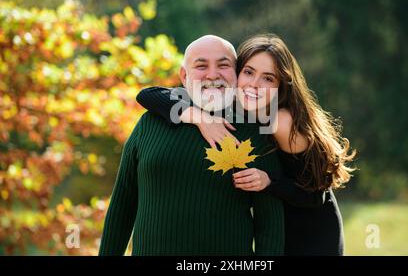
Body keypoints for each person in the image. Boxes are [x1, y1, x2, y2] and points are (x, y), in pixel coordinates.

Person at [136, 34, 356, 256]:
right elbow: (148, 95)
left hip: (309, 234)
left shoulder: (281, 122)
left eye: (268, 78)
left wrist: (269, 182)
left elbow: (314, 196)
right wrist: (199, 117)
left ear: (281, 85)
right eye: (249, 72)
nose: (254, 84)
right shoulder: (235, 106)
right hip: (272, 227)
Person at [99, 35, 285, 256]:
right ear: (184, 76)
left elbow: (270, 228)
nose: (213, 74)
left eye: (224, 65)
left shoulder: (255, 131)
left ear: (236, 74)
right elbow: (122, 206)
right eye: (201, 65)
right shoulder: (150, 123)